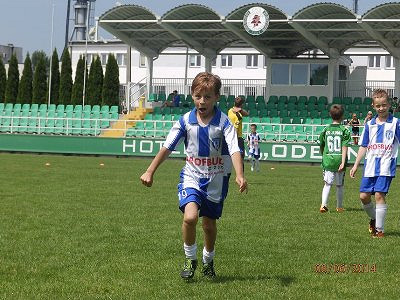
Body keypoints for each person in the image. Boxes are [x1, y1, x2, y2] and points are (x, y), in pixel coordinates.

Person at [140, 72, 248, 279]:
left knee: (208, 225)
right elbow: (167, 147)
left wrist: (240, 175)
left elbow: (235, 149)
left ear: (217, 97)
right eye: (198, 96)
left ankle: (208, 260)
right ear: (192, 96)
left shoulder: (224, 123)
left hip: (217, 180)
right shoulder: (185, 121)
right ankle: (190, 259)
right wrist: (150, 170)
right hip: (191, 177)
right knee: (190, 218)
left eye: (207, 97)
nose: (202, 101)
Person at [350, 89, 400, 238]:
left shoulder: (396, 123)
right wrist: (355, 165)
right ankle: (374, 219)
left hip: (386, 166)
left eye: (384, 105)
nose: (381, 108)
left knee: (379, 195)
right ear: (373, 106)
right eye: (378, 106)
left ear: (389, 104)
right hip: (370, 166)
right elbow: (363, 146)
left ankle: (380, 230)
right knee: (364, 196)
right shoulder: (369, 125)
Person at [318, 104, 351, 213]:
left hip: (328, 160)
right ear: (342, 116)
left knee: (327, 184)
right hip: (339, 160)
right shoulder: (344, 130)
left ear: (330, 115)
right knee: (339, 185)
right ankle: (339, 206)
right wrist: (343, 162)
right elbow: (344, 147)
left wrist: (323, 155)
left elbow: (321, 144)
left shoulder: (326, 129)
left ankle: (323, 205)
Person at [228, 96, 249, 168]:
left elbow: (246, 113)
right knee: (240, 158)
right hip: (237, 138)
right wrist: (235, 140)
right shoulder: (238, 116)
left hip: (229, 136)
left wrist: (240, 110)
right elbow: (236, 128)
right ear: (242, 104)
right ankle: (240, 176)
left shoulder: (230, 110)